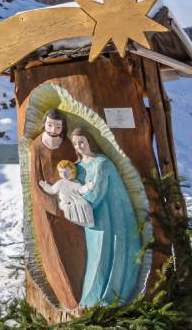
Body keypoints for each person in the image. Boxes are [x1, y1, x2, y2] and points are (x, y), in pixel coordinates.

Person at [71, 128, 143, 307]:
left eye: (82, 142)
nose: (79, 146)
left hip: (109, 215)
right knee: (95, 255)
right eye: (75, 143)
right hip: (90, 217)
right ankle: (92, 299)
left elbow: (96, 193)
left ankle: (106, 298)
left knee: (105, 254)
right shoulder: (77, 166)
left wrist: (77, 203)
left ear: (90, 141)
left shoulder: (101, 163)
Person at [28, 109, 86, 309]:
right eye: (50, 125)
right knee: (53, 246)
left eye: (58, 126)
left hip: (70, 201)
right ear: (45, 124)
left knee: (76, 247)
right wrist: (50, 203)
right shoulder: (37, 146)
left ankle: (81, 289)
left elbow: (78, 168)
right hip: (49, 207)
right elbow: (35, 179)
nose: (53, 129)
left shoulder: (68, 144)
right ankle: (65, 295)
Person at [39, 159, 94, 228]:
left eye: (66, 172)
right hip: (66, 202)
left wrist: (88, 186)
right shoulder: (60, 183)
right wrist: (44, 185)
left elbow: (81, 190)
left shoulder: (75, 182)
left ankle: (88, 221)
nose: (64, 174)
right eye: (61, 172)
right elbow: (52, 190)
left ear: (72, 171)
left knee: (84, 203)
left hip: (75, 200)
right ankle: (76, 219)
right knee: (69, 207)